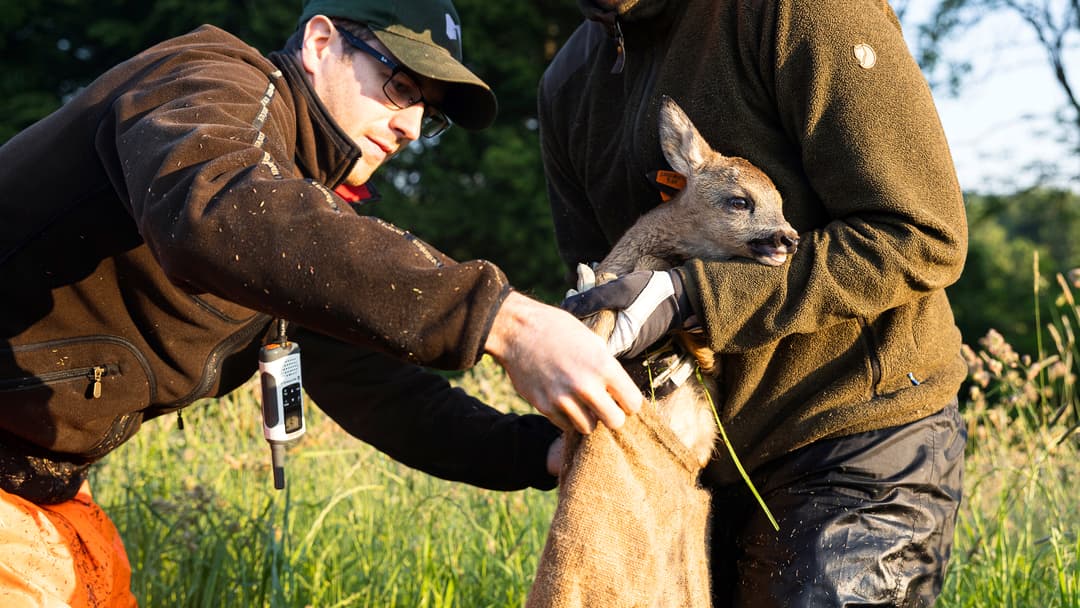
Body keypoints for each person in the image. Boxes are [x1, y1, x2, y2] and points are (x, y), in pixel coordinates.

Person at [0, 0, 646, 604]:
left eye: (431, 113)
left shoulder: (307, 219)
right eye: (401, 88)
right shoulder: (202, 79)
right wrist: (509, 320)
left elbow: (379, 391)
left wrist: (539, 453)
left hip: (43, 489)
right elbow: (213, 211)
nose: (413, 126)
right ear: (319, 41)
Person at [542, 0, 969, 605]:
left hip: (853, 442)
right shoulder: (567, 82)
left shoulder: (799, 12)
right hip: (694, 467)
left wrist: (693, 296)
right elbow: (602, 287)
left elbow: (923, 234)